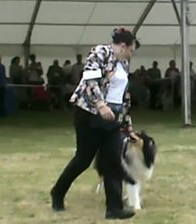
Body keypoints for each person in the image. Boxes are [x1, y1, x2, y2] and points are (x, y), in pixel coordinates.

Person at [50, 27, 139, 220]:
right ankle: (57, 192)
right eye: (131, 50)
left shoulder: (124, 64)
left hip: (113, 118)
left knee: (113, 161)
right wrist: (100, 104)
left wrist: (128, 126)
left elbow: (124, 97)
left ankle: (114, 209)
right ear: (123, 46)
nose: (131, 54)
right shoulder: (100, 52)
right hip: (89, 114)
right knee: (83, 159)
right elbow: (90, 79)